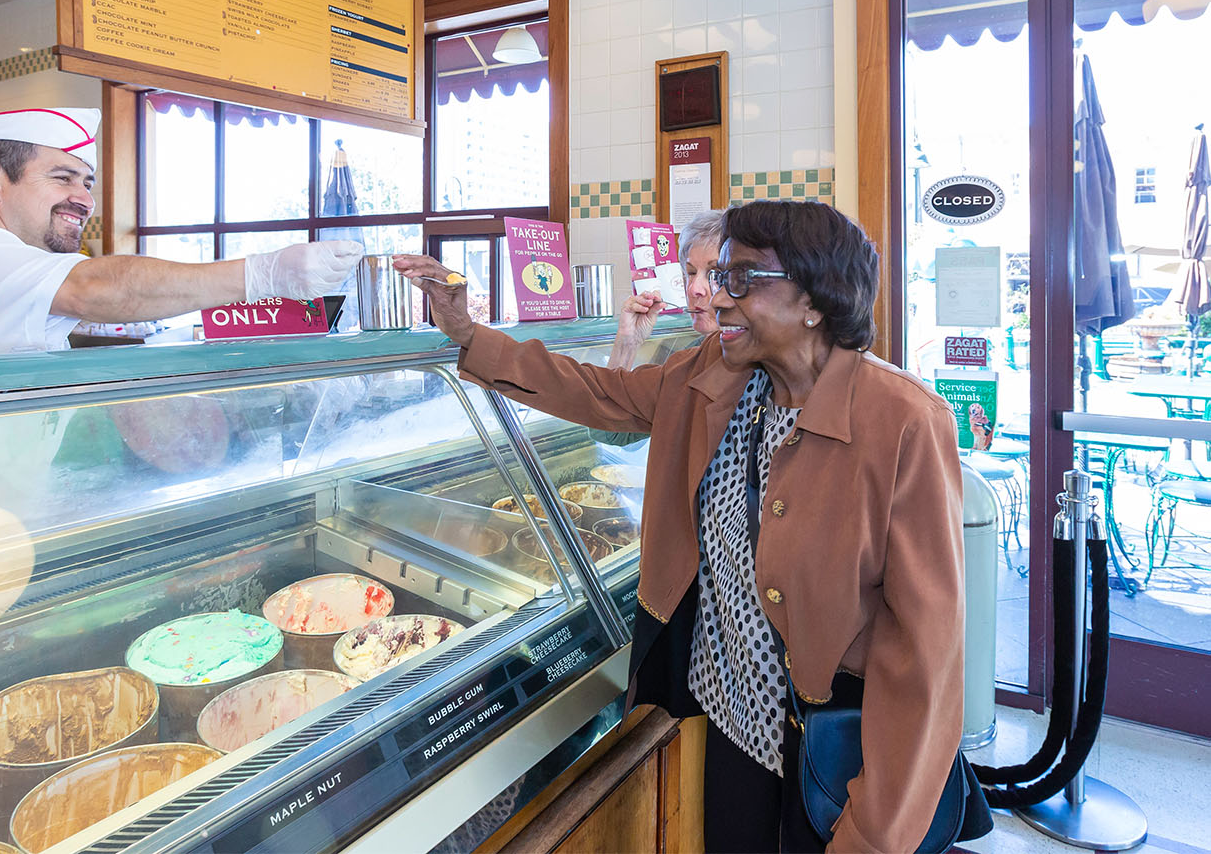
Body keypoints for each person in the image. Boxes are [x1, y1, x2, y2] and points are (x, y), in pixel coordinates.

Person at [396, 201, 966, 853]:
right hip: (731, 720)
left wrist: (875, 831)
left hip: (838, 739)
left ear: (815, 302)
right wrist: (468, 333)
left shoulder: (904, 422)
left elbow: (926, 651)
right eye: (717, 276)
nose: (714, 298)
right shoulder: (707, 375)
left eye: (740, 281)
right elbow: (599, 392)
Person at [0, 108, 362, 358]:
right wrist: (264, 276)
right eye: (62, 178)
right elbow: (94, 288)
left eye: (87, 183)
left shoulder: (0, 251)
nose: (85, 200)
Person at [592, 211, 725, 447]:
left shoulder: (766, 366)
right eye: (691, 273)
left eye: (714, 274)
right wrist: (627, 343)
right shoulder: (689, 360)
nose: (695, 288)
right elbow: (610, 433)